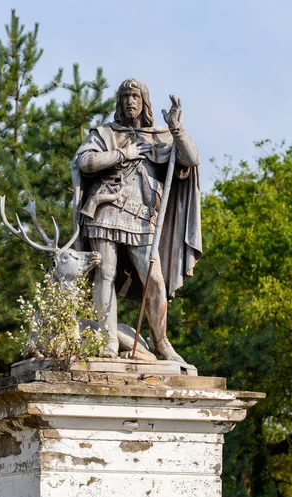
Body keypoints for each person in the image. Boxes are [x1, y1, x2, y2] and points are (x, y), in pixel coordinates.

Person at [71, 78, 202, 361]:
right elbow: (84, 161)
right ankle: (107, 342)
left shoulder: (161, 137)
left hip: (142, 218)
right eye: (125, 96)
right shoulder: (106, 134)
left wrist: (176, 128)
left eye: (135, 96)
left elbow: (191, 159)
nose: (130, 101)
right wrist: (122, 154)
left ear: (144, 102)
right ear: (119, 103)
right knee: (105, 273)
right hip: (104, 210)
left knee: (154, 280)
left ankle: (161, 342)